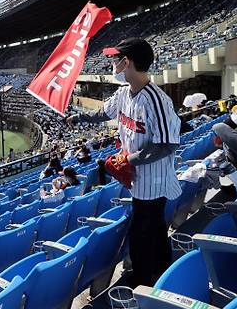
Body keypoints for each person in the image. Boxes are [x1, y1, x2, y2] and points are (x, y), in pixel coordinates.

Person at [67, 37, 181, 287]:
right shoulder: (123, 93)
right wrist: (80, 118)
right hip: (139, 177)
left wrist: (128, 159)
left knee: (142, 231)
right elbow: (103, 113)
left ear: (126, 62)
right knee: (154, 226)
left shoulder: (156, 100)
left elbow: (167, 144)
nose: (113, 64)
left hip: (154, 179)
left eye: (116, 59)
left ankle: (141, 280)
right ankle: (162, 268)